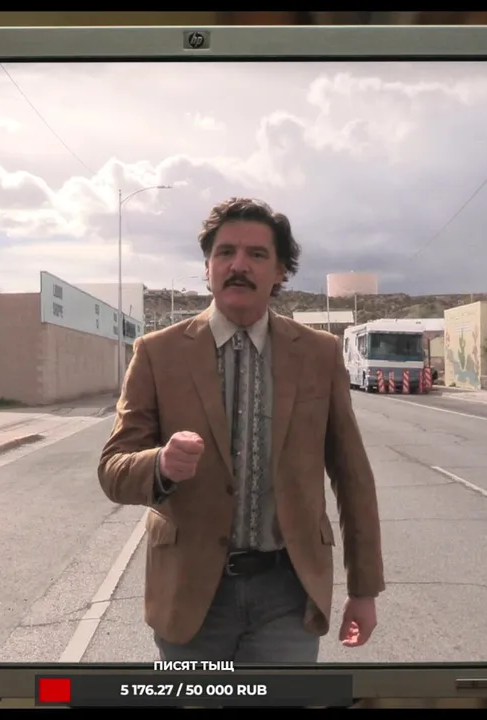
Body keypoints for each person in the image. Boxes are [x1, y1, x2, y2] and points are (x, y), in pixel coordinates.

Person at [98, 197, 385, 664]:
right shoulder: (157, 353)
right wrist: (160, 464)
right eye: (225, 252)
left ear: (279, 272)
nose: (238, 265)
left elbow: (353, 477)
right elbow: (113, 470)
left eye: (256, 254)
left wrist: (364, 589)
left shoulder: (319, 354)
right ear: (208, 267)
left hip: (287, 592)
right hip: (191, 594)